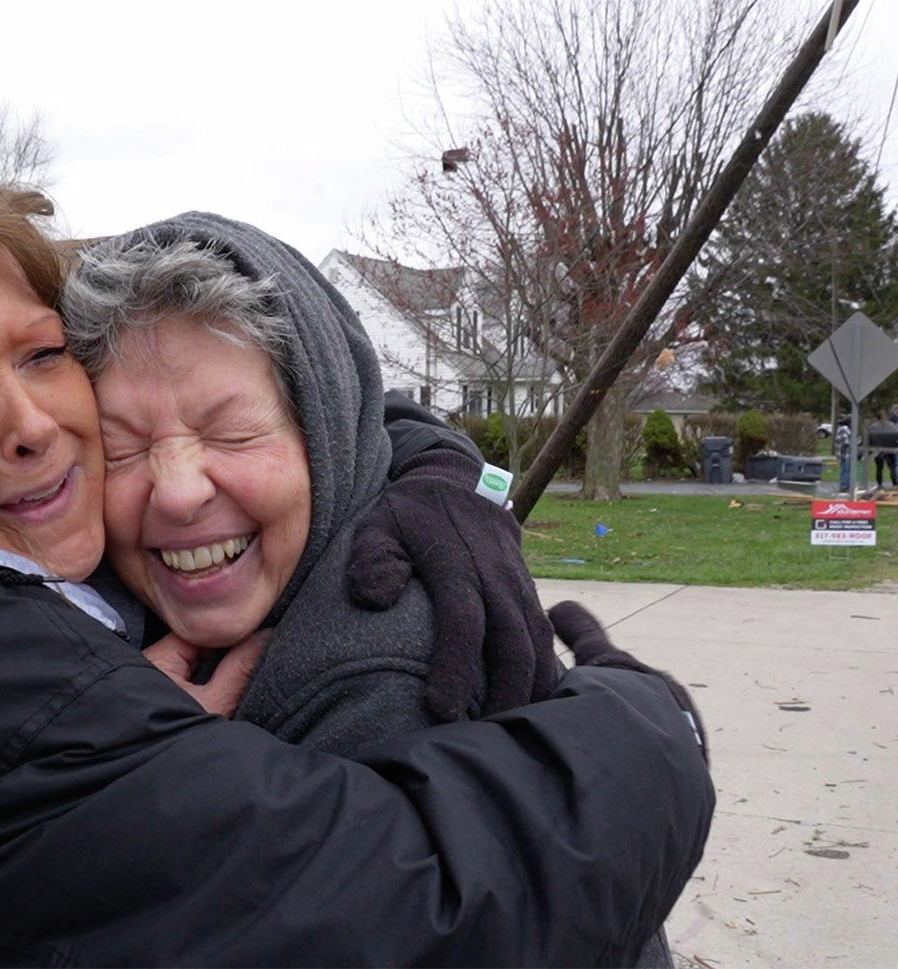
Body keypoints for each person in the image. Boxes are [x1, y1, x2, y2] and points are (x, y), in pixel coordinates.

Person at [0, 86, 713, 967]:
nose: (33, 429)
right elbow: (417, 908)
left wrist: (442, 473)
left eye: (40, 354)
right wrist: (647, 728)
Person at [60, 213, 695, 966]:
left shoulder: (387, 675)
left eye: (231, 433)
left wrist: (144, 779)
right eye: (120, 446)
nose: (175, 491)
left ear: (325, 435)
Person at [868, 410, 898, 489]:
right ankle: (895, 484)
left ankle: (879, 484)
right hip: (890, 449)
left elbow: (870, 437)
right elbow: (897, 435)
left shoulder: (873, 426)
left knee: (879, 468)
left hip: (878, 449)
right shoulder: (892, 425)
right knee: (892, 467)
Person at [833, 413, 853, 493]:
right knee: (845, 470)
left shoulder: (843, 428)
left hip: (845, 454)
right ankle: (844, 486)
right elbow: (845, 442)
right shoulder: (844, 429)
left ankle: (845, 485)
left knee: (846, 470)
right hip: (845, 454)